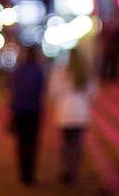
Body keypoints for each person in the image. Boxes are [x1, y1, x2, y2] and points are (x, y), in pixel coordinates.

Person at [49, 46, 98, 184]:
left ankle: (65, 170)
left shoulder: (60, 72)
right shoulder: (85, 73)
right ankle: (73, 171)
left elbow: (53, 92)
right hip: (80, 114)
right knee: (76, 145)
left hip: (64, 114)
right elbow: (93, 93)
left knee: (65, 144)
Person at [9, 45, 45, 185]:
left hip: (19, 110)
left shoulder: (18, 71)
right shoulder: (39, 71)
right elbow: (41, 88)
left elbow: (14, 88)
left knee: (21, 143)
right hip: (34, 110)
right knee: (32, 143)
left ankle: (23, 174)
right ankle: (30, 174)